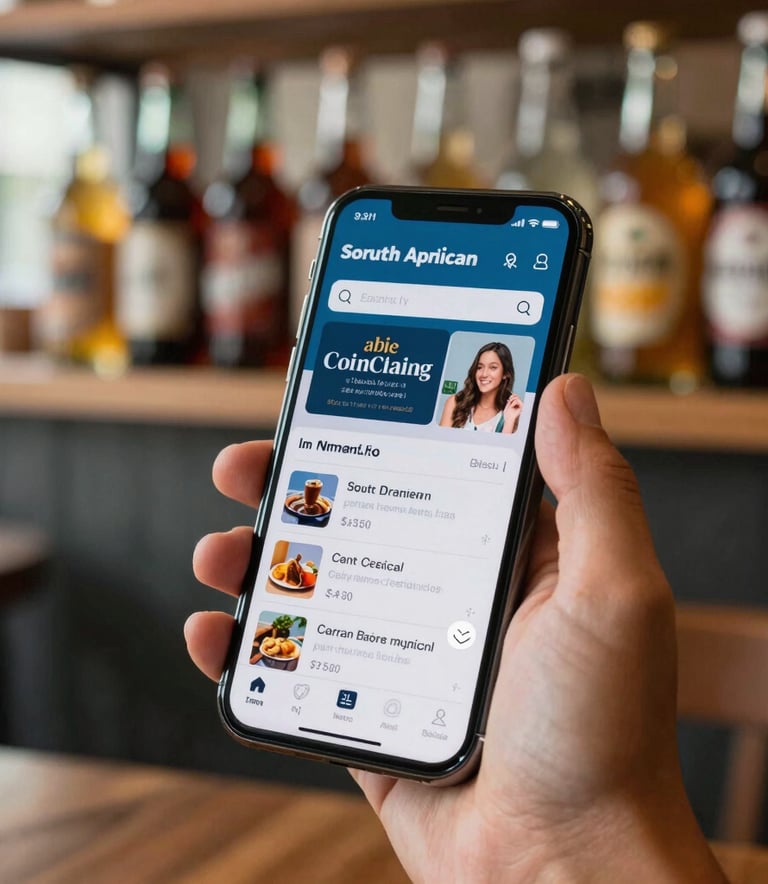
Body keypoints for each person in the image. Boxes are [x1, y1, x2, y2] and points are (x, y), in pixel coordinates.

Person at [186, 374, 727, 883]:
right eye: (480, 366)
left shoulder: (511, 415)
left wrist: (563, 842)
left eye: (496, 365)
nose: (486, 374)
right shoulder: (453, 407)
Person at [439, 341, 524, 433]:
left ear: (505, 373)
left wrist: (509, 421)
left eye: (493, 367)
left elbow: (506, 443)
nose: (484, 374)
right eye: (479, 367)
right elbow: (439, 440)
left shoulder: (514, 411)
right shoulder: (455, 402)